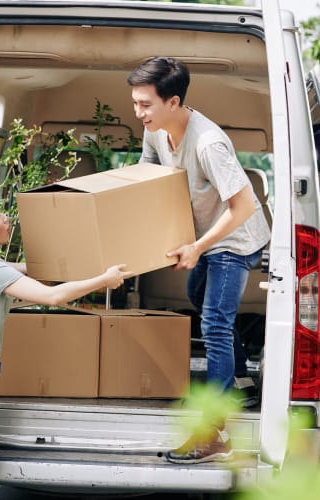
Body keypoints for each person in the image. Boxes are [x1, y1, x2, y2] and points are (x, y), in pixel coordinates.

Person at [0, 191, 132, 499]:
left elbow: (37, 270)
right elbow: (53, 296)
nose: (6, 218)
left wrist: (90, 262)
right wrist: (103, 280)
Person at [127, 57, 270, 464]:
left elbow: (241, 207)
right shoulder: (155, 131)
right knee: (198, 294)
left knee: (214, 323)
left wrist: (197, 247)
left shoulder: (208, 143)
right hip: (206, 237)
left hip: (235, 239)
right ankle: (241, 379)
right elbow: (148, 168)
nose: (138, 113)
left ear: (173, 102)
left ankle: (214, 432)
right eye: (135, 103)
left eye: (145, 105)